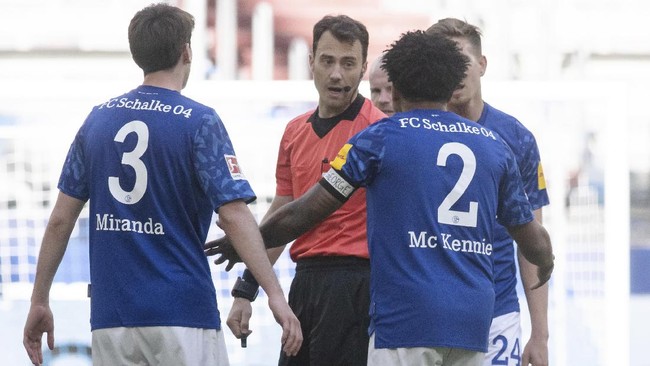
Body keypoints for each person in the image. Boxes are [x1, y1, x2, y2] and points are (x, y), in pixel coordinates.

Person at [211, 30, 554, 366]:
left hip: (404, 320)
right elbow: (530, 236)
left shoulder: (377, 139)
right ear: (452, 87)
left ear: (397, 88)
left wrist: (247, 241)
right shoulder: (494, 146)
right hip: (472, 322)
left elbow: (307, 211)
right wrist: (547, 259)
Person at [22, 4, 301, 366]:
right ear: (186, 51)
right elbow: (233, 214)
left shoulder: (97, 120)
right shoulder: (199, 122)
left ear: (137, 53)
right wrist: (275, 295)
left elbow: (61, 219)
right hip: (182, 315)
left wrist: (40, 300)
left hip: (112, 319)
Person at [206, 14, 386, 366]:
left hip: (358, 287)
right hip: (305, 284)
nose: (337, 74)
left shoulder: (379, 131)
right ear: (311, 62)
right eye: (328, 61)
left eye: (349, 63)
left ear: (364, 67)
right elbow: (285, 213)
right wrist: (247, 289)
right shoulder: (294, 132)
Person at [426, 18, 551, 366]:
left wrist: (539, 334)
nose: (455, 72)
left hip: (497, 314)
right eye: (444, 63)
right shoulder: (416, 136)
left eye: (462, 60)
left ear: (482, 65)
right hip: (426, 316)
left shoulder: (516, 138)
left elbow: (531, 243)